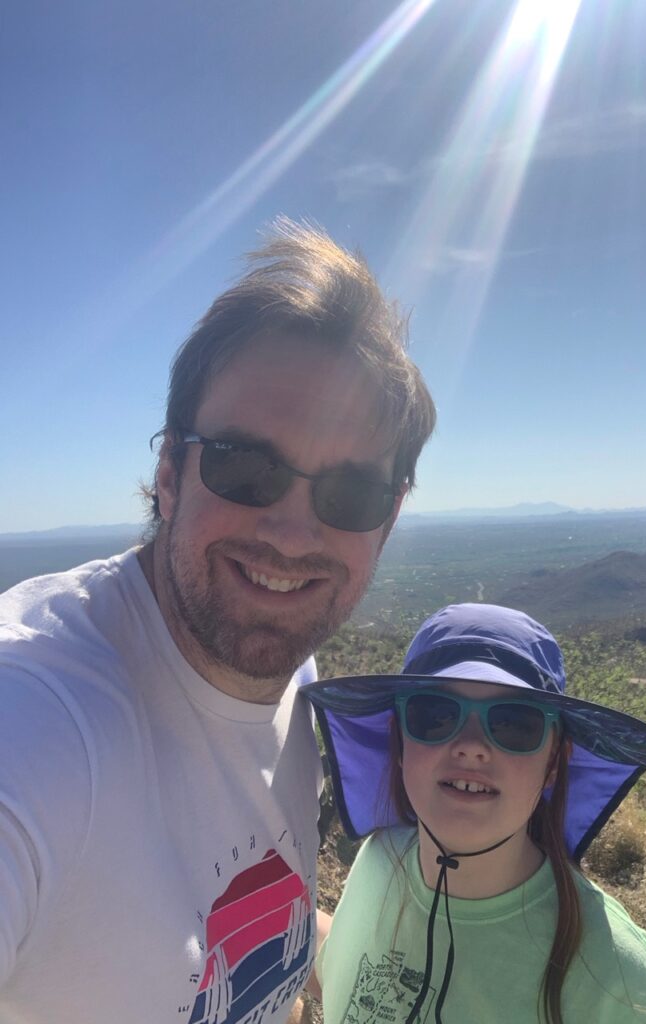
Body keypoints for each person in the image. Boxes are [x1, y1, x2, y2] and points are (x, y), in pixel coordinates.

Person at [0, 219, 436, 1024]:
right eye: (246, 465)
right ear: (169, 474)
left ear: (389, 517)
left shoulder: (290, 674)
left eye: (350, 494)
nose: (293, 534)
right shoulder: (37, 714)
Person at [304, 603, 646, 1024]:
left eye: (514, 724)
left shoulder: (616, 977)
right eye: (435, 715)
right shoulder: (379, 857)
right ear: (399, 744)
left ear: (553, 762)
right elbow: (340, 969)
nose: (471, 745)